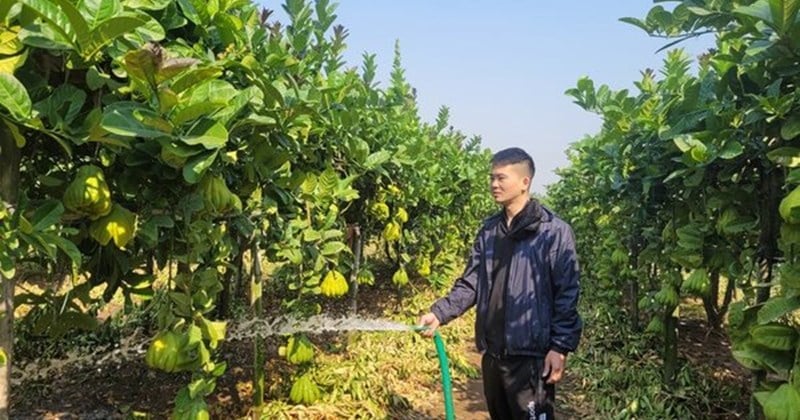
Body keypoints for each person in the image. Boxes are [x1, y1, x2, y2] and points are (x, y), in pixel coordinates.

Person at [418, 147, 582, 419]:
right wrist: (440, 312)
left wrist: (559, 346)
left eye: (501, 178)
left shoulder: (553, 231)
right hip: (493, 355)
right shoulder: (490, 230)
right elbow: (471, 283)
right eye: (492, 177)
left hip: (531, 356)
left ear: (524, 182)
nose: (494, 184)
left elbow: (566, 292)